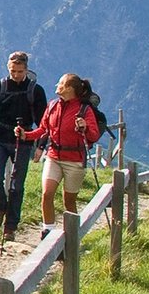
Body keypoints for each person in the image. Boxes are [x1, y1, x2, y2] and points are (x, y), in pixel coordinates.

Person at [18, 73, 102, 236]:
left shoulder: (85, 110)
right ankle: (47, 232)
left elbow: (93, 136)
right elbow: (43, 129)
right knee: (47, 194)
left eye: (61, 83)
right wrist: (25, 135)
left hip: (75, 161)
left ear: (69, 88)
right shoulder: (52, 106)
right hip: (54, 157)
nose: (57, 85)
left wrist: (85, 126)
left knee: (69, 201)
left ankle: (72, 236)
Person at [0, 51, 47, 241]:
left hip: (24, 139)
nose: (15, 74)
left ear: (26, 69)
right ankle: (0, 206)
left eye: (19, 71)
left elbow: (44, 121)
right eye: (12, 71)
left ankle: (10, 227)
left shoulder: (36, 91)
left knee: (17, 185)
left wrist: (41, 146)